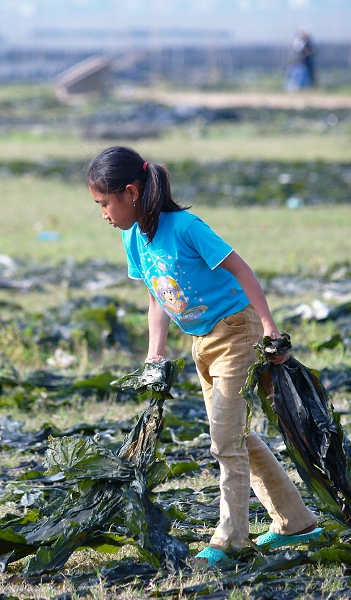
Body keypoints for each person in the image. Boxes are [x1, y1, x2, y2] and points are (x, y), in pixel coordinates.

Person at [87, 146, 322, 566]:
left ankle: (231, 538)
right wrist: (154, 355)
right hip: (201, 342)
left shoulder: (185, 228)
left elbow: (242, 269)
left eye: (105, 203)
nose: (103, 213)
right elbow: (157, 296)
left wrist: (269, 328)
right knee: (238, 436)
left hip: (236, 331)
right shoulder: (133, 237)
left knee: (223, 442)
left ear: (131, 192)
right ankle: (294, 521)